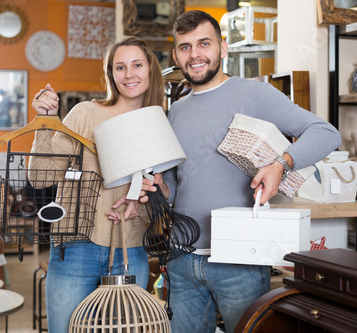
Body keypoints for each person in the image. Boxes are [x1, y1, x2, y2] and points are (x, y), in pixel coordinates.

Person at [138, 10, 342, 333]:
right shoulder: (175, 111)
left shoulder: (253, 94)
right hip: (181, 260)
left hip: (240, 262)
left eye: (204, 43)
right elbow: (177, 187)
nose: (195, 55)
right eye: (185, 47)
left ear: (223, 47)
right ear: (176, 56)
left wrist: (281, 164)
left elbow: (326, 133)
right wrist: (161, 188)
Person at [28, 36, 164, 331]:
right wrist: (44, 121)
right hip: (76, 247)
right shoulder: (85, 114)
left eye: (137, 65)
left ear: (150, 70)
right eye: (120, 67)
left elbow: (166, 190)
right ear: (111, 74)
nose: (129, 74)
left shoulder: (160, 122)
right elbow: (40, 178)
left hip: (131, 250)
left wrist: (145, 194)